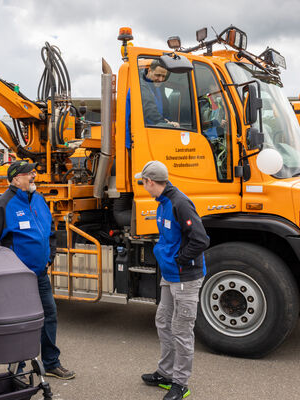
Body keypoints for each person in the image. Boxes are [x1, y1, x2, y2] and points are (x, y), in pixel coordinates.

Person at [0, 160, 75, 380]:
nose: (34, 176)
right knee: (19, 322)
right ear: (15, 179)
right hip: (16, 279)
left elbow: (50, 232)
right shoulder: (3, 205)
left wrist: (49, 257)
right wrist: (7, 270)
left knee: (48, 315)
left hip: (40, 274)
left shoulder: (39, 200)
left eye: (33, 172)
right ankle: (17, 370)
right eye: (28, 173)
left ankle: (51, 363)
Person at [135, 161, 209, 400]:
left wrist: (179, 260)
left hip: (185, 277)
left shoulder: (180, 203)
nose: (143, 186)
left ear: (150, 182)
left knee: (181, 329)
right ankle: (165, 373)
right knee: (163, 322)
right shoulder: (164, 202)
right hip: (170, 276)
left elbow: (200, 240)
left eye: (143, 182)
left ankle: (180, 383)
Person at [140, 59, 180, 128]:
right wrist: (166, 124)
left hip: (156, 129)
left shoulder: (159, 86)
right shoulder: (140, 84)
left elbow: (165, 109)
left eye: (163, 76)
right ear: (149, 71)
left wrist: (169, 122)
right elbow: (149, 111)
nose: (161, 79)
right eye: (158, 75)